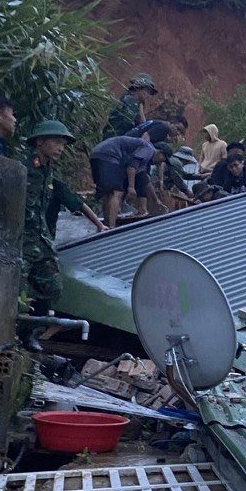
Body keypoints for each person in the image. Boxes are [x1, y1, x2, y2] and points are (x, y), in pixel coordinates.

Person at [20, 120, 91, 349]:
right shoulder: (25, 167)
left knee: (53, 286)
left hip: (40, 240)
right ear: (40, 141)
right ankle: (21, 335)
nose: (61, 148)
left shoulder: (48, 170)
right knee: (17, 288)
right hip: (21, 240)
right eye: (57, 142)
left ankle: (31, 331)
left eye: (63, 144)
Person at [88, 132, 166, 227]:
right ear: (160, 152)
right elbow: (131, 167)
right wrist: (131, 187)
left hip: (97, 153)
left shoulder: (144, 161)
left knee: (108, 193)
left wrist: (156, 200)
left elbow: (144, 180)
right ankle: (111, 228)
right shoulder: (149, 149)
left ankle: (106, 226)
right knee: (116, 192)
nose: (161, 163)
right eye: (163, 159)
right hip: (109, 154)